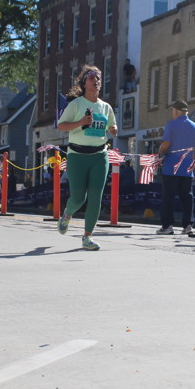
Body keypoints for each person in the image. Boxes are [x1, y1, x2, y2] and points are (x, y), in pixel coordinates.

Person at [55, 65, 118, 250]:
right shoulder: (76, 104)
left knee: (96, 196)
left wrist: (113, 129)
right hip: (77, 156)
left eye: (98, 78)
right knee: (78, 198)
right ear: (84, 83)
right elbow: (61, 126)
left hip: (99, 155)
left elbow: (112, 126)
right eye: (91, 78)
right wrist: (81, 122)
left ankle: (87, 237)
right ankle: (67, 214)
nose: (96, 81)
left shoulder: (105, 107)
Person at [156, 100, 195, 235]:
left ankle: (167, 226)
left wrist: (159, 153)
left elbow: (166, 144)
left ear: (176, 111)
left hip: (171, 167)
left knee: (168, 197)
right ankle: (188, 225)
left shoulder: (171, 125)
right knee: (187, 197)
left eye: (173, 111)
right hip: (187, 168)